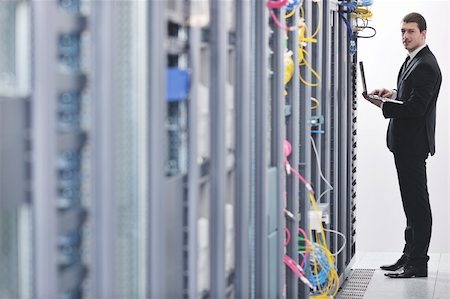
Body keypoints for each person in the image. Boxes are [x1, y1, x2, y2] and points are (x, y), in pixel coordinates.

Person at [363, 12, 442, 278]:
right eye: (402, 32)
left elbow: (417, 108)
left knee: (417, 204)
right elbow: (409, 98)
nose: (405, 36)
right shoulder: (414, 61)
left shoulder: (426, 64)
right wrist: (392, 95)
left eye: (410, 31)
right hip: (405, 144)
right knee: (411, 203)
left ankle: (418, 262)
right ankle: (409, 255)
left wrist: (384, 105)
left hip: (413, 145)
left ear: (423, 33)